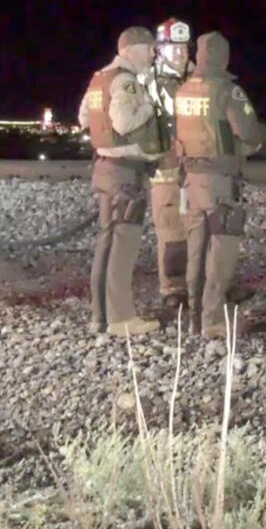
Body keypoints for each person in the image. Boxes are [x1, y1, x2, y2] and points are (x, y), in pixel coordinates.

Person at [174, 32, 266, 337]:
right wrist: (261, 136)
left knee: (196, 250)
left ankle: (195, 318)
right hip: (219, 181)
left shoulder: (183, 90)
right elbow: (249, 132)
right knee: (221, 250)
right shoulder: (227, 90)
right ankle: (213, 320)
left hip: (190, 180)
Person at [77, 26, 165, 337]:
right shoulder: (126, 82)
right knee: (123, 247)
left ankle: (100, 317)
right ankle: (121, 318)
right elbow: (124, 122)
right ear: (133, 49)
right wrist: (150, 105)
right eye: (150, 48)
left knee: (107, 245)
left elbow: (84, 119)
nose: (154, 54)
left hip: (105, 167)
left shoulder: (99, 79)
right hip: (125, 171)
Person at [147, 18, 194, 312]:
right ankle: (174, 289)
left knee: (205, 229)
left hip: (198, 171)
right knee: (172, 233)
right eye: (172, 47)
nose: (179, 53)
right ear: (159, 49)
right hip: (165, 172)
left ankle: (207, 283)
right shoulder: (147, 83)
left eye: (183, 48)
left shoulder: (200, 80)